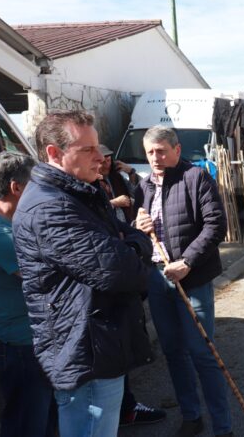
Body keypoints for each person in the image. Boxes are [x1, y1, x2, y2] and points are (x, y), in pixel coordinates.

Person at [13, 111, 154, 437]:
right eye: (87, 149)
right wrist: (138, 243)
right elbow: (122, 271)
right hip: (86, 352)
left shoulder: (77, 194)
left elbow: (122, 236)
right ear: (54, 152)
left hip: (95, 344)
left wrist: (128, 241)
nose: (101, 158)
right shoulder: (52, 208)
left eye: (99, 148)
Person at [133, 125, 232, 437]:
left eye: (162, 150)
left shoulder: (196, 178)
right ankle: (191, 415)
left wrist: (187, 262)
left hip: (192, 278)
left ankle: (223, 426)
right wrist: (136, 226)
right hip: (157, 278)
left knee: (202, 352)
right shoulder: (143, 186)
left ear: (176, 149)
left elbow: (216, 225)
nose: (156, 157)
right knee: (173, 351)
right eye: (150, 152)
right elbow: (134, 233)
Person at [0, 152, 56, 437]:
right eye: (34, 184)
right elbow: (49, 277)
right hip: (17, 343)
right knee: (27, 421)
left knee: (36, 415)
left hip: (17, 338)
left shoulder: (3, 225)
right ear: (16, 188)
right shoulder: (1, 236)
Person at [95, 145, 166, 427]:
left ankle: (126, 407)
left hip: (128, 256)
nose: (104, 161)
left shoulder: (116, 178)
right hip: (117, 269)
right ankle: (124, 410)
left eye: (108, 157)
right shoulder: (85, 190)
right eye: (99, 156)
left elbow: (137, 201)